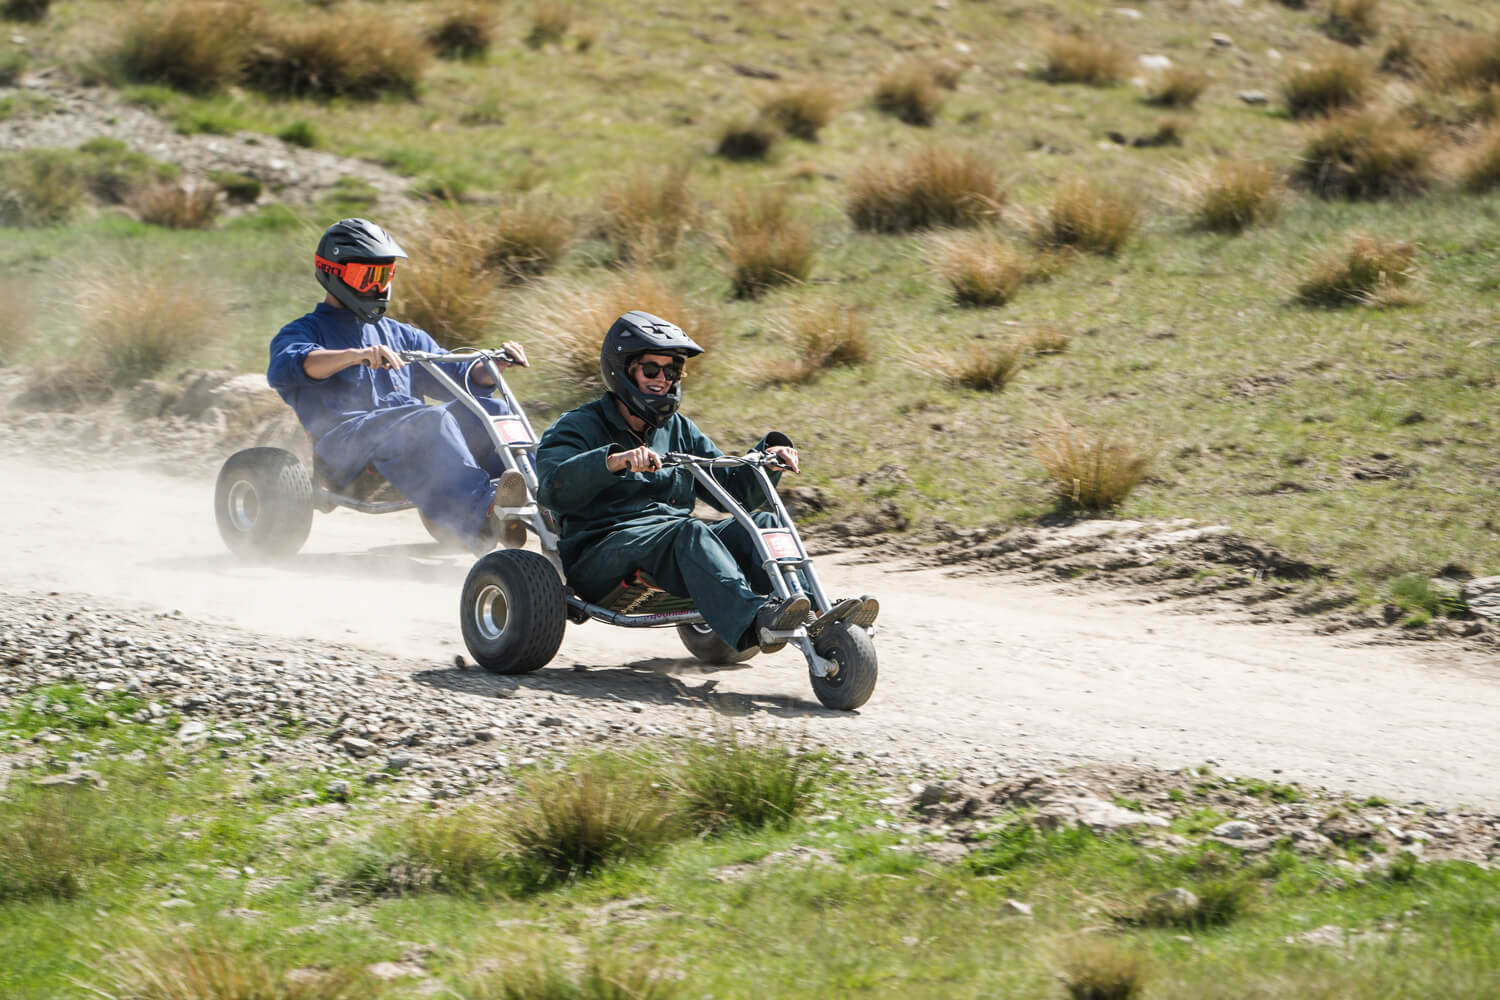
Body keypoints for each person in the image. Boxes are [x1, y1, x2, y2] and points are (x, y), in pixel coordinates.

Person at [535, 310, 877, 653]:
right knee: (690, 531)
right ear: (622, 370)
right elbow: (552, 489)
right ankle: (754, 621)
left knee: (761, 524)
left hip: (670, 544)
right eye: (651, 369)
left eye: (671, 371)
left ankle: (819, 612)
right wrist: (611, 462)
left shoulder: (679, 429)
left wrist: (769, 458)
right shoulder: (578, 426)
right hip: (601, 555)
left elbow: (731, 489)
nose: (662, 379)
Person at [267, 218, 529, 554]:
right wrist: (353, 356)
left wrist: (492, 368)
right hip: (346, 449)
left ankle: (545, 501)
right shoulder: (303, 332)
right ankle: (483, 511)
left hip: (407, 435)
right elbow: (290, 366)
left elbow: (458, 377)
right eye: (368, 276)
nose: (378, 287)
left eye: (384, 275)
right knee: (428, 419)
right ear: (333, 273)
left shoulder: (400, 334)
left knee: (492, 410)